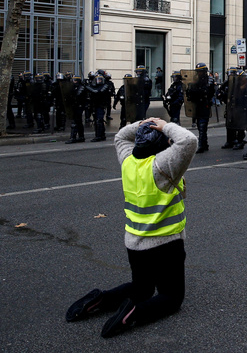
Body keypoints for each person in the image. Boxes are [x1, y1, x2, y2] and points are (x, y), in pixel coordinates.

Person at [65, 117, 197, 338]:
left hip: (134, 242)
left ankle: (100, 299)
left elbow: (120, 136)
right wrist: (164, 125)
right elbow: (189, 141)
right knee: (172, 298)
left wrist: (141, 124)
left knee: (142, 288)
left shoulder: (128, 161)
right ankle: (134, 313)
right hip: (165, 243)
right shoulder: (162, 165)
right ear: (162, 145)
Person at [185, 63, 216, 153]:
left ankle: (202, 145)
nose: (199, 73)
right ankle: (205, 144)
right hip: (197, 105)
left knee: (202, 126)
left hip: (204, 104)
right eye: (198, 72)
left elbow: (206, 92)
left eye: (200, 72)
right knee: (199, 125)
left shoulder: (209, 80)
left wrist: (195, 90)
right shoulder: (196, 80)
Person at [86, 73, 110, 142]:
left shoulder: (105, 86)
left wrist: (88, 87)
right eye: (98, 79)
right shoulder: (94, 86)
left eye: (100, 79)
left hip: (101, 106)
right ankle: (102, 135)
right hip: (94, 105)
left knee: (99, 121)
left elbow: (97, 91)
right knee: (97, 120)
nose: (99, 81)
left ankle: (99, 136)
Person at [65, 75, 87, 144]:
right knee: (79, 122)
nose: (73, 81)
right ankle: (81, 136)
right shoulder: (73, 88)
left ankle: (73, 137)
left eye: (75, 80)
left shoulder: (81, 88)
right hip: (74, 107)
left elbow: (78, 97)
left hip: (79, 107)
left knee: (75, 122)